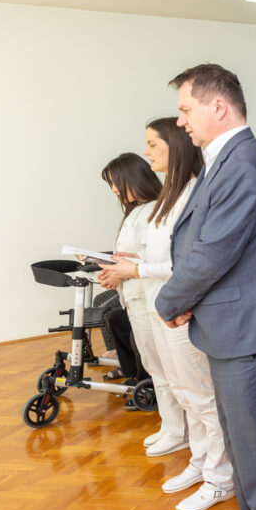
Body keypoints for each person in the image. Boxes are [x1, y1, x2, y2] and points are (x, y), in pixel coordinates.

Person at [155, 64, 256, 510]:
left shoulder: (243, 161)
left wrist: (170, 300)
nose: (181, 121)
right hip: (230, 324)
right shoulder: (227, 157)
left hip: (247, 328)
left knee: (255, 445)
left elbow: (214, 250)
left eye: (185, 109)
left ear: (218, 106)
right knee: (239, 441)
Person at [101, 118, 234, 510]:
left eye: (153, 144)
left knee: (201, 395)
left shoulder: (195, 192)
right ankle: (200, 460)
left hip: (181, 308)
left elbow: (190, 262)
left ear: (175, 147)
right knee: (182, 389)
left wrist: (137, 268)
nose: (147, 153)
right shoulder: (171, 197)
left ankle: (221, 477)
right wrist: (133, 264)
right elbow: (163, 255)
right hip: (162, 304)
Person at [99, 154, 164, 403]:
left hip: (148, 294)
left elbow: (159, 256)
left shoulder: (155, 210)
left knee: (157, 360)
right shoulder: (135, 211)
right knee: (149, 357)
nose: (114, 190)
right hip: (134, 295)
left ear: (133, 178)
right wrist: (114, 273)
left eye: (116, 183)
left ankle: (159, 402)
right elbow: (135, 256)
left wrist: (123, 270)